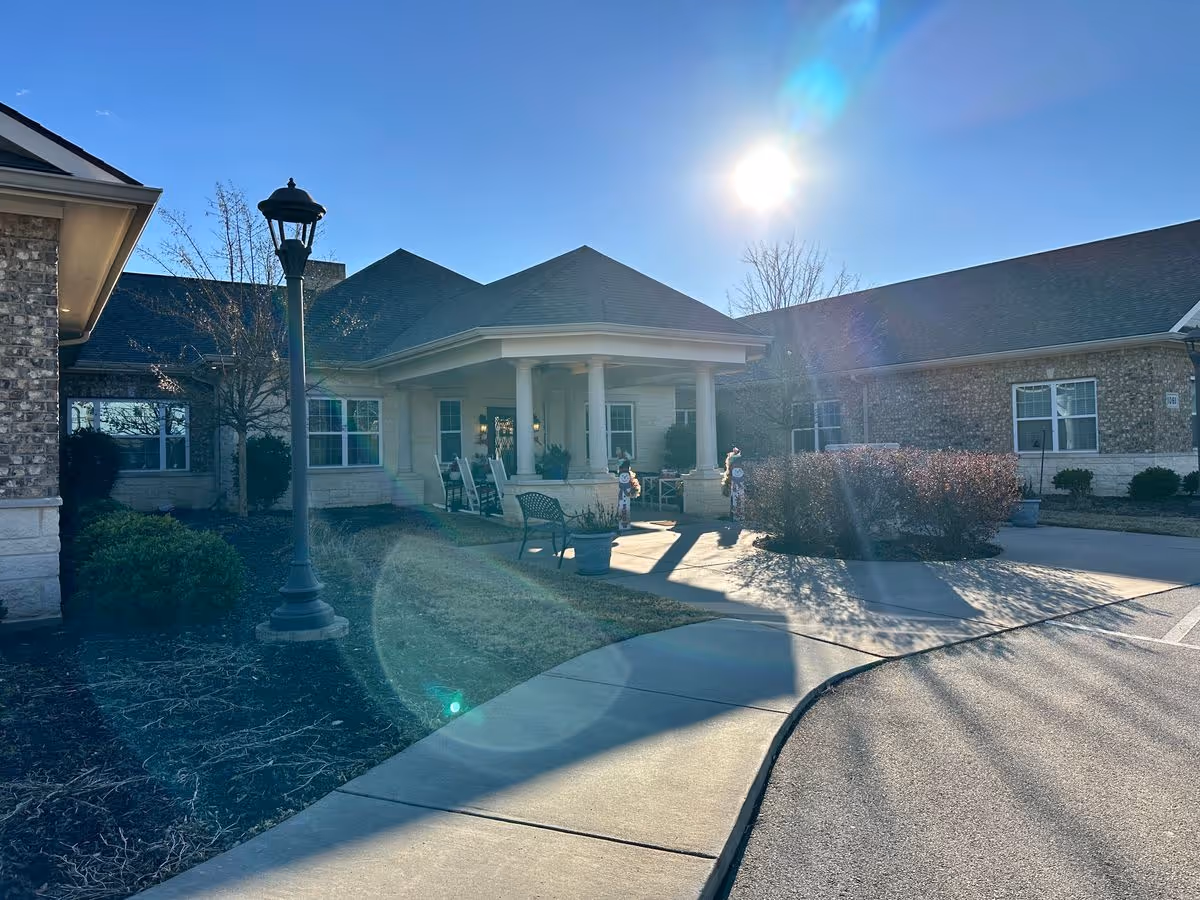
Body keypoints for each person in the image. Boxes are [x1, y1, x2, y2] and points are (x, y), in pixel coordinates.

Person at [616, 459, 640, 531]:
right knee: (624, 507)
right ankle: (624, 523)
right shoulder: (625, 473)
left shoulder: (623, 473)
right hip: (625, 491)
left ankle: (624, 523)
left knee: (624, 506)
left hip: (625, 491)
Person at [722, 448, 746, 520]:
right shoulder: (733, 466)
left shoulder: (733, 466)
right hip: (736, 483)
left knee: (738, 499)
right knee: (737, 499)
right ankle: (737, 516)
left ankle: (738, 515)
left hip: (738, 483)